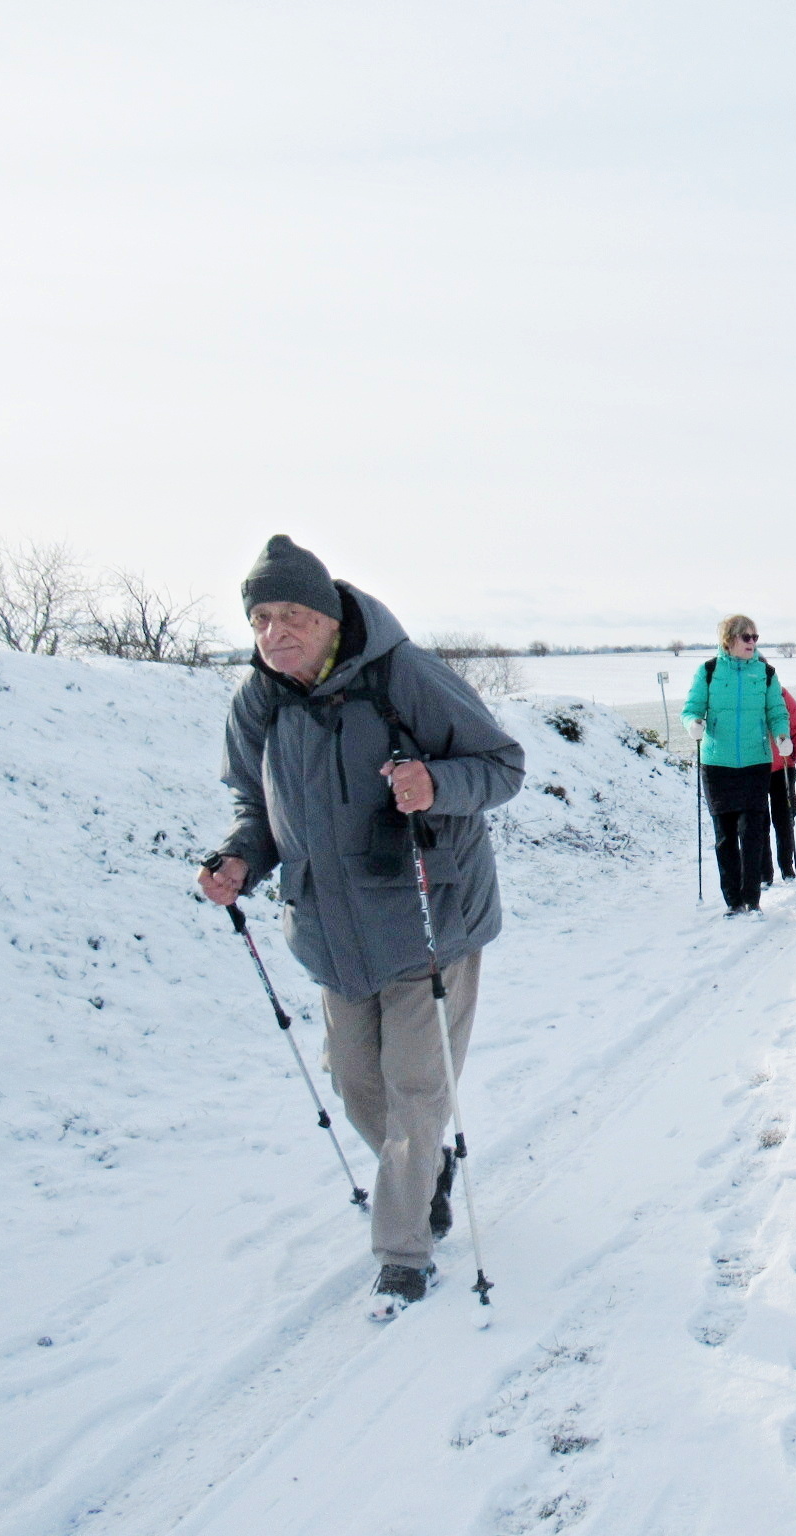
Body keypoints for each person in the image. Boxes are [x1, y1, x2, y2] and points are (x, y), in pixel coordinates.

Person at [197, 535, 525, 1313]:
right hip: (332, 933)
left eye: (292, 617)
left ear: (330, 616)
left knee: (415, 1093)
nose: (275, 634)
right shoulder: (259, 703)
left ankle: (403, 1252)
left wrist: (432, 783)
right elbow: (257, 810)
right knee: (356, 1085)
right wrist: (241, 861)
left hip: (427, 916)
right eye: (261, 618)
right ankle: (422, 1173)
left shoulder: (402, 675)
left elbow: (502, 766)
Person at [683, 614, 792, 916]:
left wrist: (782, 735)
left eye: (755, 637)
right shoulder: (708, 672)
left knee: (753, 831)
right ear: (728, 640)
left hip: (756, 762)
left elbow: (776, 711)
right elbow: (691, 708)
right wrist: (693, 723)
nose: (752, 643)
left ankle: (752, 899)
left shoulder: (766, 673)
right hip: (717, 764)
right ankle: (733, 901)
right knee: (726, 836)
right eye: (746, 637)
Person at [762, 686, 796, 884]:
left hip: (783, 766)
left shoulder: (780, 694)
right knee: (758, 823)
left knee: (785, 820)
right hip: (754, 769)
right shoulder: (743, 696)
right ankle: (764, 873)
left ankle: (787, 867)